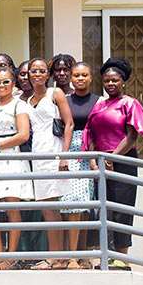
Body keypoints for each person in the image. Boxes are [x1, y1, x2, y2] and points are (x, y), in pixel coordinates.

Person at [81, 57, 143, 268]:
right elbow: (90, 133)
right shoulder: (100, 105)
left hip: (122, 161)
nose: (110, 83)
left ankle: (122, 257)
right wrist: (95, 160)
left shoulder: (129, 103)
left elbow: (131, 136)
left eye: (115, 80)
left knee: (121, 209)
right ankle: (108, 254)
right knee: (104, 210)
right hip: (101, 163)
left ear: (123, 82)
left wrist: (111, 158)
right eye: (107, 80)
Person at [0, 68, 33, 271]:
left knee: (12, 207)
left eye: (6, 82)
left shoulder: (19, 104)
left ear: (13, 83)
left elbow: (24, 135)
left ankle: (11, 257)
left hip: (11, 155)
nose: (1, 86)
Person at [24, 57, 74, 270]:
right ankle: (58, 257)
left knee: (51, 208)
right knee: (47, 208)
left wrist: (64, 156)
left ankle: (56, 258)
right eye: (33, 70)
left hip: (54, 153)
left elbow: (69, 124)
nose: (37, 74)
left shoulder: (55, 93)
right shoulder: (28, 100)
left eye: (42, 70)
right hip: (38, 154)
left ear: (48, 74)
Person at [61, 62, 101, 269]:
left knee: (84, 206)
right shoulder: (65, 100)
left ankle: (83, 255)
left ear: (91, 77)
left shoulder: (99, 101)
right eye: (76, 75)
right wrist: (63, 156)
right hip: (70, 151)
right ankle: (71, 256)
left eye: (84, 75)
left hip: (89, 151)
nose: (80, 78)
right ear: (71, 78)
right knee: (73, 205)